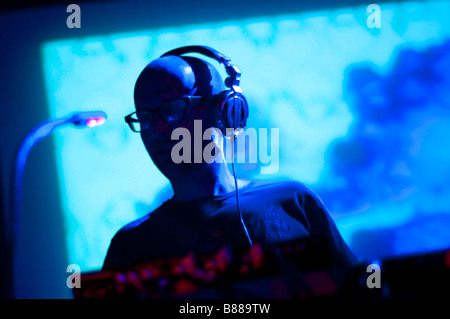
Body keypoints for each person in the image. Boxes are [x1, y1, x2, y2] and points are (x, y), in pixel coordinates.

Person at [102, 46, 358, 275]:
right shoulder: (130, 245)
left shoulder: (293, 201)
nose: (156, 130)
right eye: (145, 117)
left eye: (172, 110)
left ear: (225, 111)